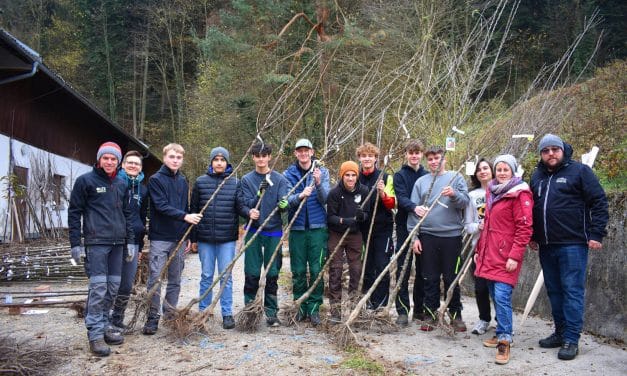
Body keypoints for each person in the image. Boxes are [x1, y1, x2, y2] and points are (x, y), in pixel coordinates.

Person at [529, 134, 608, 361]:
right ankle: (560, 332)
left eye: (555, 149)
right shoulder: (537, 176)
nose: (551, 153)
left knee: (572, 291)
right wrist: (534, 235)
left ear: (563, 150)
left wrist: (596, 233)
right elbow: (534, 208)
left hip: (573, 244)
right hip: (546, 245)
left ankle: (571, 339)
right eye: (546, 150)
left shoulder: (580, 172)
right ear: (541, 154)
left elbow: (599, 201)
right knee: (554, 291)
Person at [68, 141, 135, 356]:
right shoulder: (85, 181)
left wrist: (131, 240)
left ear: (118, 162)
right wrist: (75, 243)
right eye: (105, 158)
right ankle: (95, 334)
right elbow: (74, 213)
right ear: (99, 159)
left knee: (113, 287)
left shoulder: (122, 184)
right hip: (96, 244)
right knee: (98, 289)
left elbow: (127, 214)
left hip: (118, 244)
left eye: (113, 159)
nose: (109, 161)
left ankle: (105, 325)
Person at [474, 154, 533, 365]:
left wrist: (515, 256)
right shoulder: (493, 192)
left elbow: (525, 228)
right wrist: (479, 249)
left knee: (501, 296)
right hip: (490, 253)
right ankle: (500, 332)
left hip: (506, 256)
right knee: (493, 293)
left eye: (505, 169)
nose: (501, 173)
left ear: (513, 171)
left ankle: (505, 340)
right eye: (498, 169)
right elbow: (487, 225)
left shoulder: (520, 194)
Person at [408, 146, 469, 332]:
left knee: (452, 277)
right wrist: (414, 237)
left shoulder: (455, 178)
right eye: (431, 159)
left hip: (451, 236)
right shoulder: (421, 182)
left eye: (437, 158)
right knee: (430, 277)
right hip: (428, 236)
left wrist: (454, 194)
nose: (434, 161)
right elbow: (414, 212)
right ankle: (430, 314)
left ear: (444, 159)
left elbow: (465, 202)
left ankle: (455, 314)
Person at [143, 143, 202, 335]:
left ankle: (169, 313)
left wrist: (187, 236)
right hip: (160, 237)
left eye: (178, 158)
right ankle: (152, 318)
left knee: (175, 279)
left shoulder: (183, 181)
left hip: (178, 238)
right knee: (155, 278)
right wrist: (185, 217)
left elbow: (184, 207)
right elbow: (160, 206)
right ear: (165, 157)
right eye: (172, 157)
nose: (175, 160)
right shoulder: (155, 180)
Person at [191, 147, 245, 330]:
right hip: (205, 238)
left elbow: (241, 207)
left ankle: (227, 313)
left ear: (227, 162)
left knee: (226, 277)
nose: (219, 162)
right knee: (206, 275)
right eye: (216, 159)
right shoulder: (200, 182)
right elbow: (194, 211)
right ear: (211, 162)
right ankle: (204, 311)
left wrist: (251, 210)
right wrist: (194, 239)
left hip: (227, 239)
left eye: (223, 159)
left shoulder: (234, 183)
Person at [238, 142, 289, 327]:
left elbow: (284, 200)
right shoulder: (246, 180)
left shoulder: (279, 179)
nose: (261, 159)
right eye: (257, 155)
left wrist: (285, 204)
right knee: (251, 272)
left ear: (269, 157)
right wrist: (249, 212)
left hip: (273, 231)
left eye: (264, 155)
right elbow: (241, 204)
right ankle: (250, 310)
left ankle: (271, 312)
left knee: (272, 273)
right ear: (253, 157)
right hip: (253, 231)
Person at [283, 139, 330, 326]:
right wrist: (299, 196)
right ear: (296, 153)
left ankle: (314, 308)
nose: (303, 154)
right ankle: (300, 306)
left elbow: (326, 198)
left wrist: (318, 183)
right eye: (299, 151)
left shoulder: (322, 172)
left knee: (317, 270)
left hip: (318, 228)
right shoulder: (288, 174)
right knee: (299, 270)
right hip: (297, 229)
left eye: (306, 150)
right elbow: (285, 200)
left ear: (312, 152)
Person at [326, 161, 370, 323]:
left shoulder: (364, 191)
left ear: (357, 176)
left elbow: (367, 213)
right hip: (337, 233)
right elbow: (330, 217)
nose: (350, 178)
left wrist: (361, 217)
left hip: (355, 234)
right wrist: (345, 221)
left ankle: (354, 306)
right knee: (336, 270)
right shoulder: (335, 193)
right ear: (342, 175)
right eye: (347, 175)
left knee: (356, 269)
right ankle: (335, 310)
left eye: (353, 175)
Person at [110, 150, 148, 331]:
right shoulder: (113, 184)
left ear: (140, 168)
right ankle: (103, 320)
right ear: (123, 165)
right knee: (111, 283)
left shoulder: (143, 189)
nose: (133, 166)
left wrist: (140, 247)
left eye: (137, 164)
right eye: (130, 163)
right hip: (114, 240)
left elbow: (141, 217)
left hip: (133, 243)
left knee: (126, 284)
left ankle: (117, 318)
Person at [356, 142, 396, 310]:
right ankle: (367, 302)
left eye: (370, 156)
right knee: (366, 266)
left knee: (381, 265)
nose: (367, 159)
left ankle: (381, 304)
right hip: (361, 229)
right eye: (364, 156)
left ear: (375, 158)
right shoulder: (354, 177)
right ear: (359, 158)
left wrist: (382, 193)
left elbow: (392, 204)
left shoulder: (385, 177)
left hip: (382, 229)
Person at [393, 139, 428, 326]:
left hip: (424, 227)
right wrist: (415, 208)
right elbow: (401, 198)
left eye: (417, 152)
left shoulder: (428, 175)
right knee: (403, 270)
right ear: (406, 154)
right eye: (410, 152)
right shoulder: (399, 176)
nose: (414, 156)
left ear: (421, 154)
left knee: (423, 270)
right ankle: (402, 311)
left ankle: (420, 310)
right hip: (404, 226)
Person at [464, 158, 494, 335]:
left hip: (499, 249)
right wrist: (478, 226)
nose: (482, 171)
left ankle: (503, 322)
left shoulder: (503, 191)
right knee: (480, 287)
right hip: (479, 249)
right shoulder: (472, 196)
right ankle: (484, 319)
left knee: (499, 289)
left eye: (486, 168)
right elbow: (467, 225)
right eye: (479, 169)